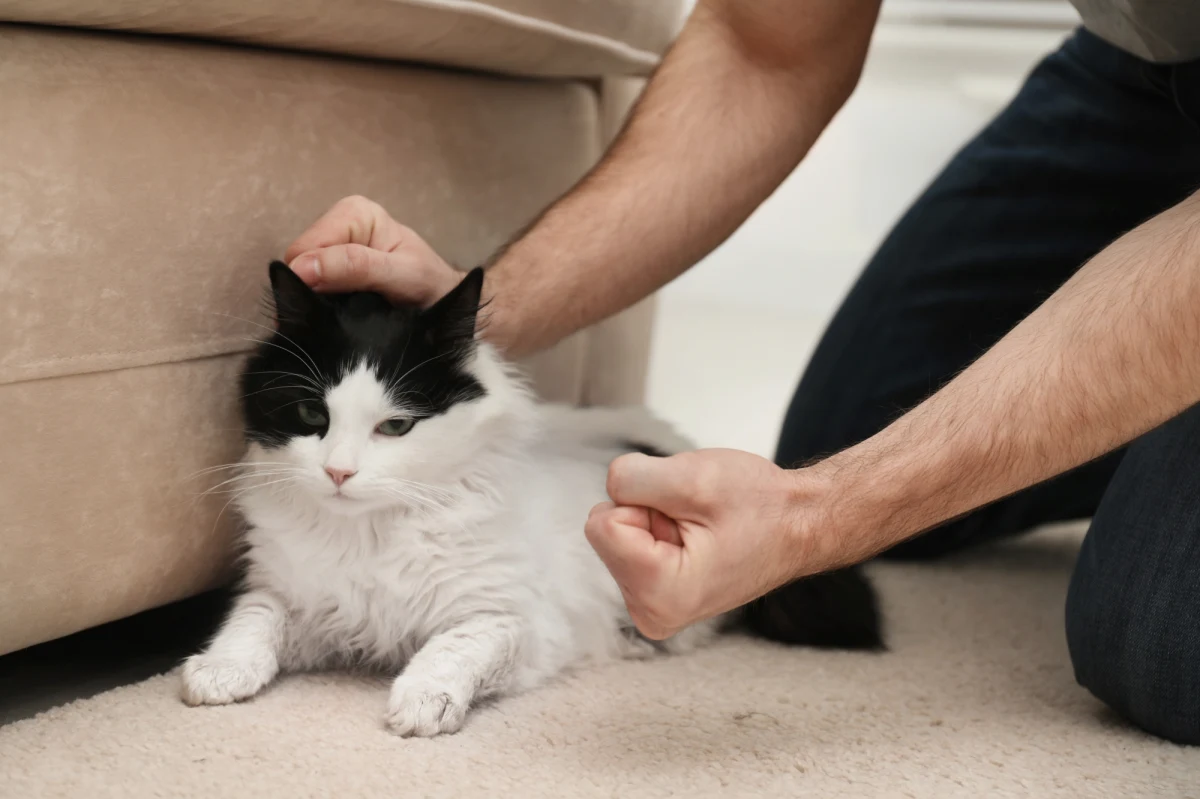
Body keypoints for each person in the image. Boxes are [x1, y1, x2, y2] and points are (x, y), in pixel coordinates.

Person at [280, 1, 1200, 744]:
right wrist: (465, 325)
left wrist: (819, 516)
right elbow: (767, 50)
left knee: (1158, 643)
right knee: (854, 435)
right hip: (1138, 61)